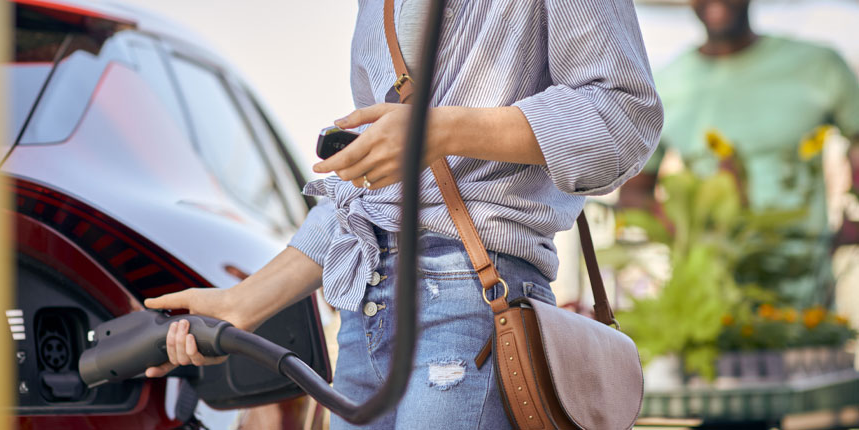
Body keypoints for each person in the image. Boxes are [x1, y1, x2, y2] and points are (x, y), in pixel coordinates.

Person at [145, 0, 662, 428]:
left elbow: (623, 115)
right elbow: (367, 200)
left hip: (472, 299)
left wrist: (436, 130)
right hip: (363, 310)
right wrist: (239, 304)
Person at [619, 0, 859, 307]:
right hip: (710, 294)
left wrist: (852, 221)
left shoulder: (818, 65)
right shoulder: (665, 84)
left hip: (804, 290)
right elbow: (633, 191)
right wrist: (678, 226)